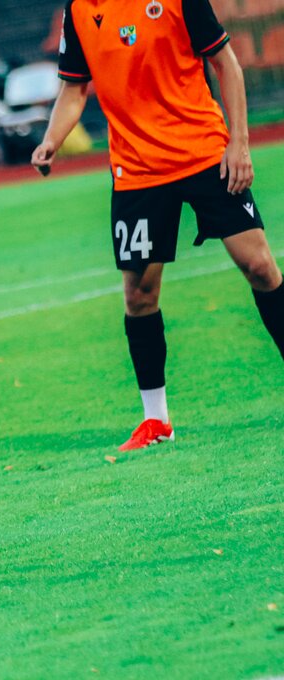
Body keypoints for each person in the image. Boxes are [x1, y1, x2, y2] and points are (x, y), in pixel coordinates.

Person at [32, 0, 283, 451]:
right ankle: (156, 421)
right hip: (138, 171)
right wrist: (52, 140)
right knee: (139, 296)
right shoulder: (79, 10)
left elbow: (226, 63)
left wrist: (239, 143)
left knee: (261, 267)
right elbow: (74, 88)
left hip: (204, 153)